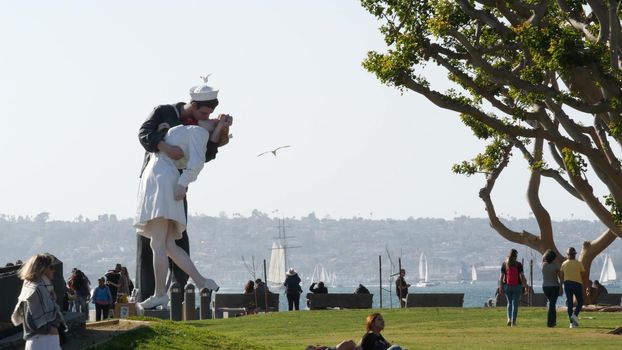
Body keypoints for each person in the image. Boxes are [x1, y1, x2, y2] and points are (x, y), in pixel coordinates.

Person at [134, 87, 231, 310]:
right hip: (160, 180)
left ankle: (160, 294)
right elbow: (144, 133)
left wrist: (182, 184)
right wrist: (164, 145)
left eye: (209, 119)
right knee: (168, 243)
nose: (207, 119)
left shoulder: (198, 132)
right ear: (194, 106)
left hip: (164, 181)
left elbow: (198, 161)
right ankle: (201, 282)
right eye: (205, 114)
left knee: (158, 243)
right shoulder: (183, 124)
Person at [11, 253, 65, 350]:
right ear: (43, 269)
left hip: (44, 341)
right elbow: (30, 319)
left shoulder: (41, 288)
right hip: (42, 342)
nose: (54, 270)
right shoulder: (36, 290)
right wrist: (50, 329)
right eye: (51, 267)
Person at [498, 249, 528, 326]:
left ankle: (509, 319)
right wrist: (525, 286)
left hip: (507, 286)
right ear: (516, 256)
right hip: (517, 286)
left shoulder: (505, 264)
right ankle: (513, 321)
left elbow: (501, 277)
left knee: (509, 303)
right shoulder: (518, 264)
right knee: (515, 304)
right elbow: (522, 276)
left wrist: (500, 287)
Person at [560, 247, 585, 328]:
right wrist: (586, 285)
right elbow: (583, 275)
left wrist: (561, 285)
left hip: (567, 284)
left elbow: (561, 276)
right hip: (577, 284)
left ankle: (571, 323)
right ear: (575, 254)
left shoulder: (564, 264)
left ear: (568, 255)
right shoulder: (579, 263)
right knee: (580, 302)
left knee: (570, 303)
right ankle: (575, 315)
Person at [541, 249, 562, 327]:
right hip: (554, 287)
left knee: (552, 304)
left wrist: (546, 253)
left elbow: (543, 259)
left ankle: (553, 322)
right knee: (552, 304)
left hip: (545, 287)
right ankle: (550, 322)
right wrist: (561, 288)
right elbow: (561, 278)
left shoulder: (543, 265)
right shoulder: (556, 266)